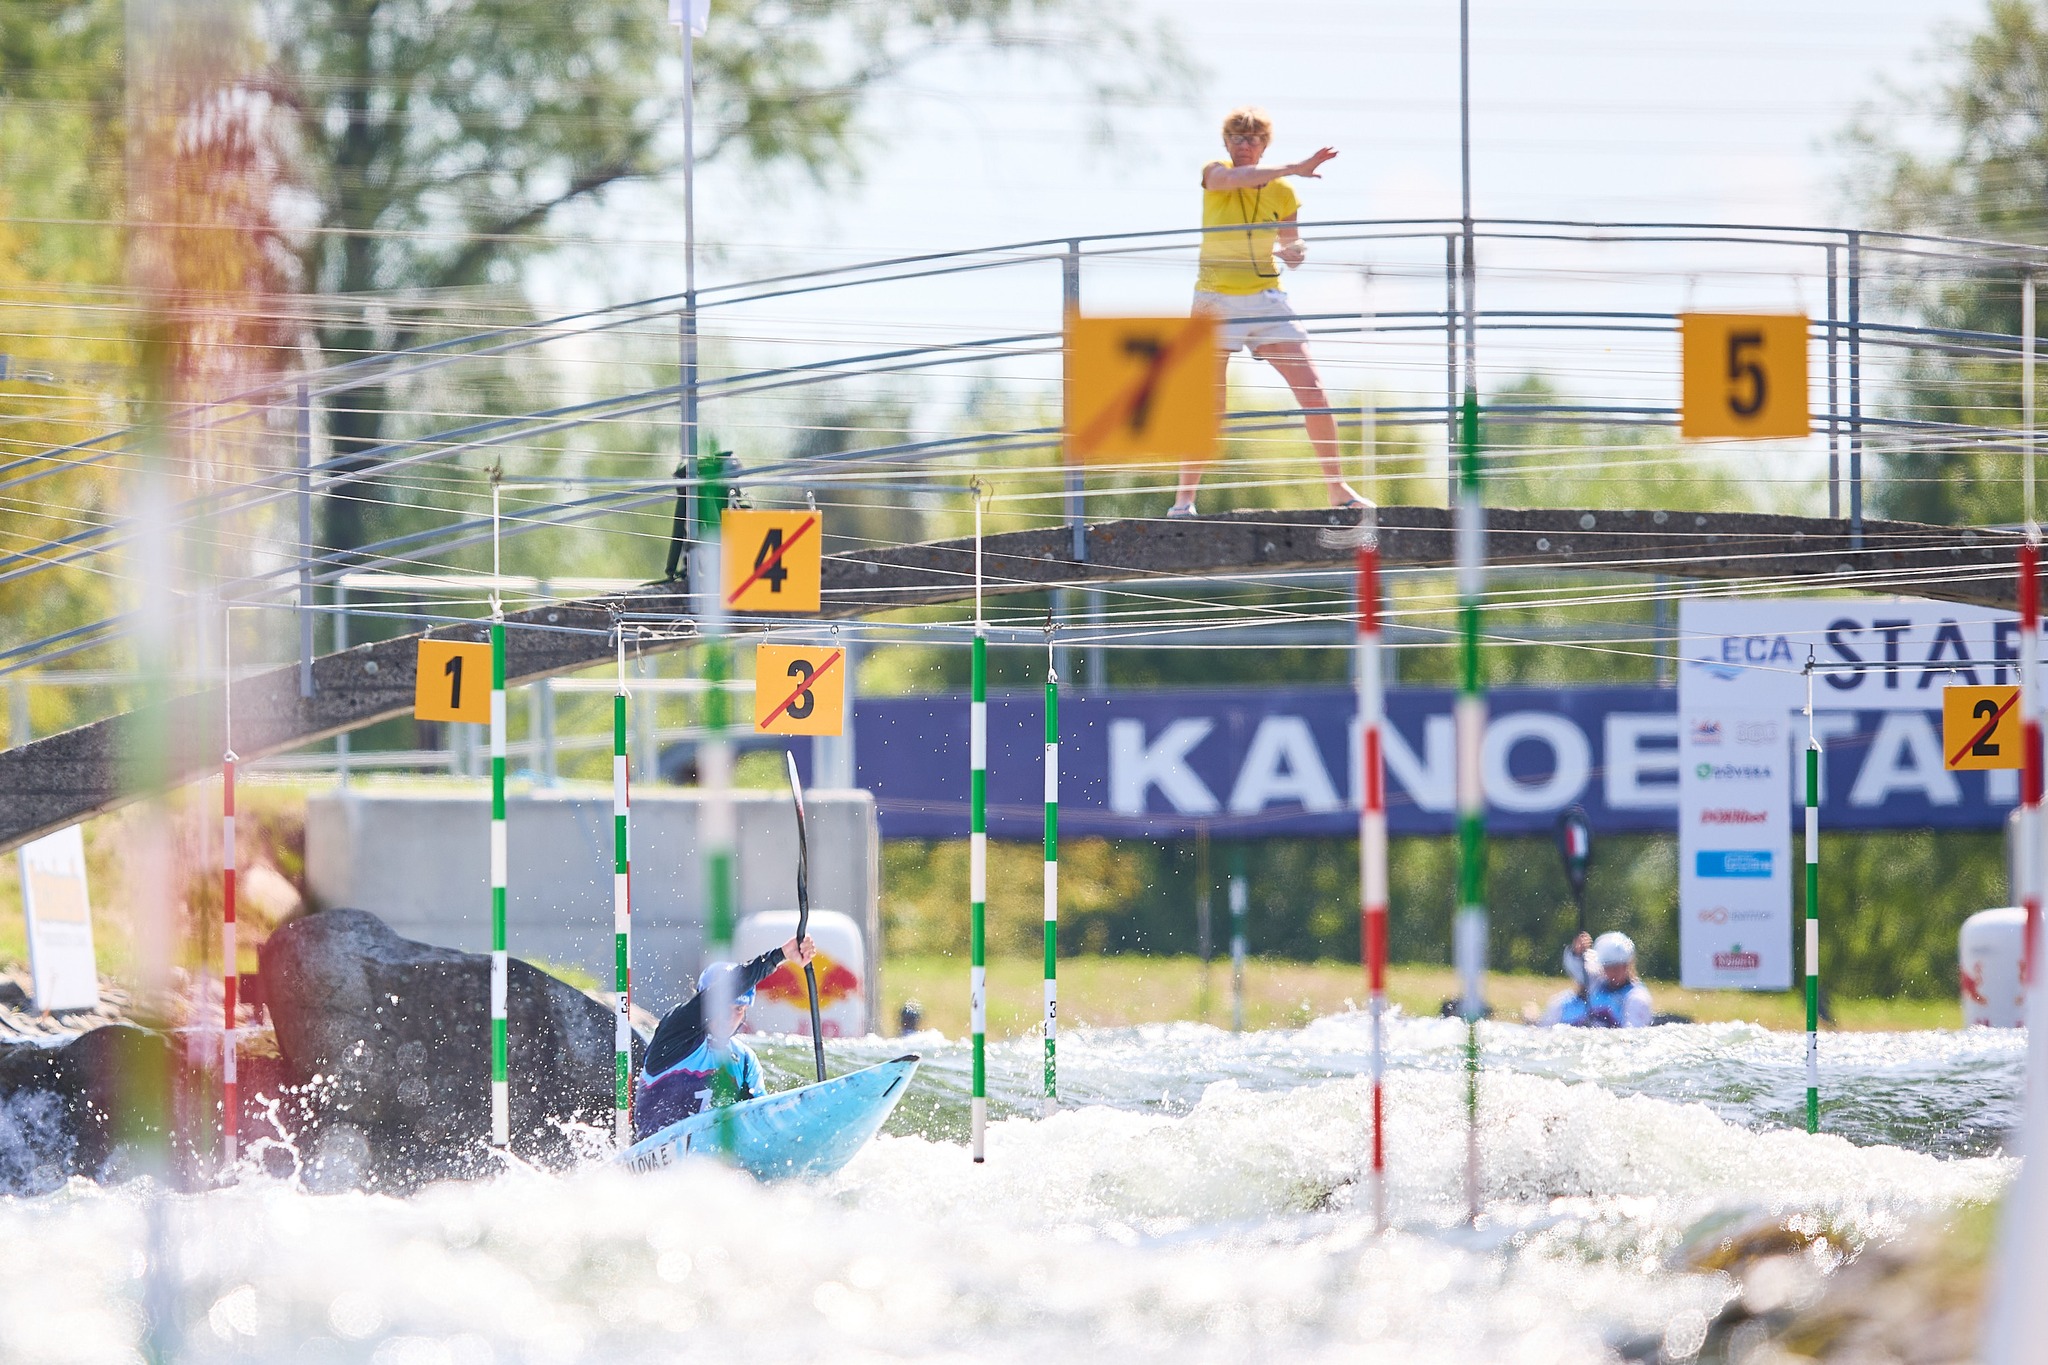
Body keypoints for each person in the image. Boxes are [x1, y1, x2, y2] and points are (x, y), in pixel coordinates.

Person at [1171, 106, 1364, 519]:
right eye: (1238, 138)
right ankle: (1184, 500)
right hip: (1214, 299)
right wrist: (1295, 167)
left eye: (1254, 138)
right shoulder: (1215, 172)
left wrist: (1294, 251)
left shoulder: (1285, 194)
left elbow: (1291, 248)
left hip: (1265, 297)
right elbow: (1235, 180)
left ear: (1264, 144)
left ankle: (1338, 489)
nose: (1245, 145)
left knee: (1312, 389)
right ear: (1226, 144)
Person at [636, 934, 817, 1140]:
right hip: (654, 1160)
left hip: (712, 1163)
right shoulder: (675, 1033)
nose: (730, 1017)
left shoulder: (744, 1060)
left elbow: (759, 1120)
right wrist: (780, 955)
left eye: (739, 1009)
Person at [1540, 930, 1654, 1028]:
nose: (1616, 972)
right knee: (1556, 1003)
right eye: (1611, 967)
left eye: (1621, 966)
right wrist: (1578, 952)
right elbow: (1579, 970)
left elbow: (1632, 1035)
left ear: (1629, 964)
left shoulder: (1637, 998)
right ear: (1603, 967)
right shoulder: (1598, 982)